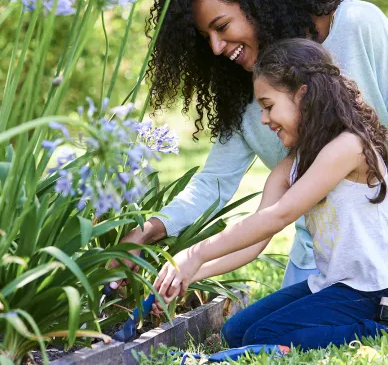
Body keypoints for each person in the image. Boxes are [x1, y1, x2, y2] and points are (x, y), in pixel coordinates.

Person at [109, 0, 388, 289]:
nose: (215, 46)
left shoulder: (356, 26)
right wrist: (147, 231)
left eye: (222, 26)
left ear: (258, 4)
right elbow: (212, 184)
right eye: (205, 37)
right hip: (319, 255)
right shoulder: (244, 98)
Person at [153, 38, 388, 350]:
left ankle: (378, 327)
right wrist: (188, 275)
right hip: (333, 285)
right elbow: (254, 241)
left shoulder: (349, 146)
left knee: (262, 336)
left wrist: (196, 254)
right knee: (234, 333)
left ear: (303, 95)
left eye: (268, 105)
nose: (264, 119)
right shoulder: (291, 167)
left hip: (373, 289)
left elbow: (279, 215)